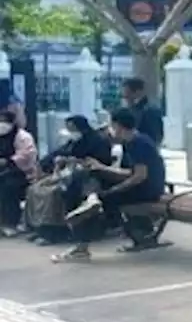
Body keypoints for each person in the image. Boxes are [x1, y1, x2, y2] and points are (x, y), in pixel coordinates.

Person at [53, 107, 167, 263]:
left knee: (101, 202)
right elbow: (131, 172)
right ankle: (91, 199)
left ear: (118, 126)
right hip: (143, 186)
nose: (110, 130)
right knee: (92, 174)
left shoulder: (139, 143)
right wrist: (102, 168)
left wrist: (115, 189)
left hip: (148, 190)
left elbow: (139, 177)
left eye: (111, 126)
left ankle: (81, 247)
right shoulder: (133, 141)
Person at [27, 116, 115, 244]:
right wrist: (45, 164)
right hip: (66, 174)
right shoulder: (73, 142)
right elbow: (56, 154)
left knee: (53, 193)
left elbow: (98, 162)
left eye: (72, 128)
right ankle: (39, 228)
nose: (70, 131)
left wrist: (73, 161)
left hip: (89, 177)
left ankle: (54, 232)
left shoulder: (97, 141)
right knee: (34, 189)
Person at [0, 108, 38, 237]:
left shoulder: (23, 136)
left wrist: (8, 161)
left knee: (8, 187)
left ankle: (10, 223)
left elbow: (28, 154)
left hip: (21, 172)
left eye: (4, 121)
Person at [122, 76, 165, 147]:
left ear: (137, 92)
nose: (125, 97)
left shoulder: (150, 111)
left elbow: (155, 136)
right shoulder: (131, 110)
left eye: (128, 93)